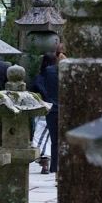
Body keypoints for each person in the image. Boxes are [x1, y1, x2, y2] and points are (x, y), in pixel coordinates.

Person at [36, 46, 62, 175]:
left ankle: (55, 168)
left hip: (51, 108)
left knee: (55, 140)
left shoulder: (47, 71)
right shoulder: (69, 71)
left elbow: (38, 85)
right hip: (65, 108)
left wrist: (46, 98)